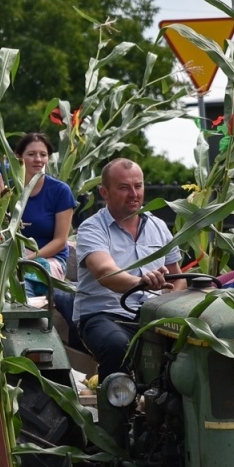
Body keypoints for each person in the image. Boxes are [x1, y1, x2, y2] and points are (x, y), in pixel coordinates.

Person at [73, 158, 186, 380]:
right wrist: (141, 283)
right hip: (104, 315)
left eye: (138, 186)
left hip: (153, 315)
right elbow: (105, 273)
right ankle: (116, 399)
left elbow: (178, 277)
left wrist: (169, 304)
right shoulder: (92, 228)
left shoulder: (158, 226)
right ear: (104, 192)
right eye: (124, 187)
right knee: (117, 345)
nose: (134, 194)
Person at [9, 132, 78, 299]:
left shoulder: (60, 191)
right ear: (19, 157)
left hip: (49, 259)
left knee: (24, 281)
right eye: (31, 154)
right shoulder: (8, 191)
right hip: (12, 260)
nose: (38, 159)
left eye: (43, 155)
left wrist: (28, 259)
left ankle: (28, 313)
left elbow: (60, 241)